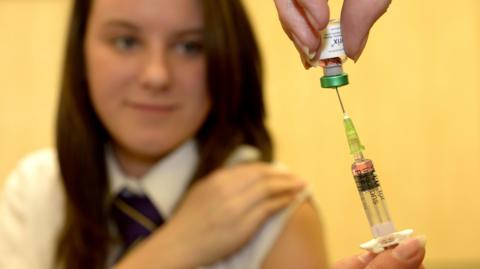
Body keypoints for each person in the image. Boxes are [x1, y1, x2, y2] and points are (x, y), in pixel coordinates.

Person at [0, 0, 425, 269]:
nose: (156, 75)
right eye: (126, 41)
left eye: (189, 46)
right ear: (81, 49)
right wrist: (174, 248)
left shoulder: (271, 209)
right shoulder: (35, 190)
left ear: (226, 60)